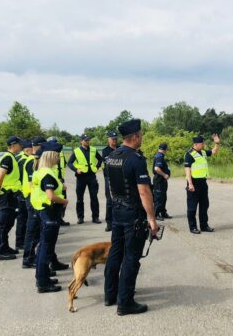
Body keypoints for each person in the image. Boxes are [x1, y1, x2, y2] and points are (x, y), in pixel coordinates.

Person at [104, 119, 159, 316]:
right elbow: (144, 192)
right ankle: (125, 302)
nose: (142, 138)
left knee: (115, 253)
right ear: (135, 137)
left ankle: (110, 295)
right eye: (141, 135)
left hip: (117, 211)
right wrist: (152, 219)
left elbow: (110, 187)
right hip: (133, 215)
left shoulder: (111, 157)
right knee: (131, 258)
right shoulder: (135, 159)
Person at [30, 141, 69, 293]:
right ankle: (43, 282)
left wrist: (61, 186)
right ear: (51, 156)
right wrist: (64, 200)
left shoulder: (41, 171)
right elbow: (51, 196)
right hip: (50, 212)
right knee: (46, 248)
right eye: (58, 155)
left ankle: (43, 276)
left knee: (44, 247)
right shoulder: (47, 173)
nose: (59, 158)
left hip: (43, 211)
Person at [0, 136, 23, 260]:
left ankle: (5, 246)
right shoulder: (7, 158)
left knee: (9, 222)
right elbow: (0, 177)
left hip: (12, 195)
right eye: (19, 144)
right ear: (13, 145)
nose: (21, 146)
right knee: (3, 223)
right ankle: (0, 251)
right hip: (6, 195)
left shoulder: (12, 157)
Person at [184, 134, 221, 234]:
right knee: (192, 207)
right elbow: (187, 170)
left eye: (203, 142)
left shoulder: (203, 152)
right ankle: (193, 227)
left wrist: (217, 143)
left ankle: (204, 226)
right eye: (202, 143)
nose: (204, 144)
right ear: (196, 144)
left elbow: (214, 151)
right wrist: (190, 184)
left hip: (203, 183)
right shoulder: (189, 154)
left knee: (204, 205)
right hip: (193, 183)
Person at [21, 136, 45, 269]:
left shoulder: (36, 160)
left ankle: (34, 257)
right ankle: (28, 258)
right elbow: (32, 183)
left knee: (39, 231)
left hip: (34, 199)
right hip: (32, 200)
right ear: (38, 146)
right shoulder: (32, 161)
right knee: (33, 230)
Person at [68, 134, 103, 224]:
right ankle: (80, 217)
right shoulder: (76, 151)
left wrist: (96, 167)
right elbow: (70, 163)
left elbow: (100, 159)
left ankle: (95, 217)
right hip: (81, 177)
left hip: (91, 176)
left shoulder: (93, 150)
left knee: (94, 197)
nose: (87, 141)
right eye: (86, 140)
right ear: (81, 141)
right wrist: (76, 170)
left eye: (88, 140)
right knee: (80, 198)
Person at [47, 136, 71, 226]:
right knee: (54, 201)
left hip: (60, 180)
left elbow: (63, 165)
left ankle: (60, 218)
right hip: (53, 181)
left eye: (56, 142)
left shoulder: (60, 153)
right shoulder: (48, 155)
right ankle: (54, 220)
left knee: (62, 199)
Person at [14, 140, 32, 250]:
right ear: (27, 149)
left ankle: (21, 241)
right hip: (22, 193)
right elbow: (20, 178)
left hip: (23, 192)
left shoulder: (21, 157)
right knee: (22, 219)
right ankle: (20, 242)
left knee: (24, 218)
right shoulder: (23, 160)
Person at [101, 131, 118, 232]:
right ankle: (109, 222)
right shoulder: (105, 151)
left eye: (115, 139)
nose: (114, 141)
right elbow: (109, 162)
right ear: (108, 139)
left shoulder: (121, 148)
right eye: (112, 139)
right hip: (110, 178)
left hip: (120, 177)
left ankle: (117, 221)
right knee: (110, 201)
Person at [152, 143, 171, 221]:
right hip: (159, 179)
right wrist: (164, 175)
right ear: (165, 149)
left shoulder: (159, 155)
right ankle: (156, 214)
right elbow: (157, 169)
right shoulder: (159, 156)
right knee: (159, 197)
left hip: (162, 180)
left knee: (163, 197)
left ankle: (163, 212)